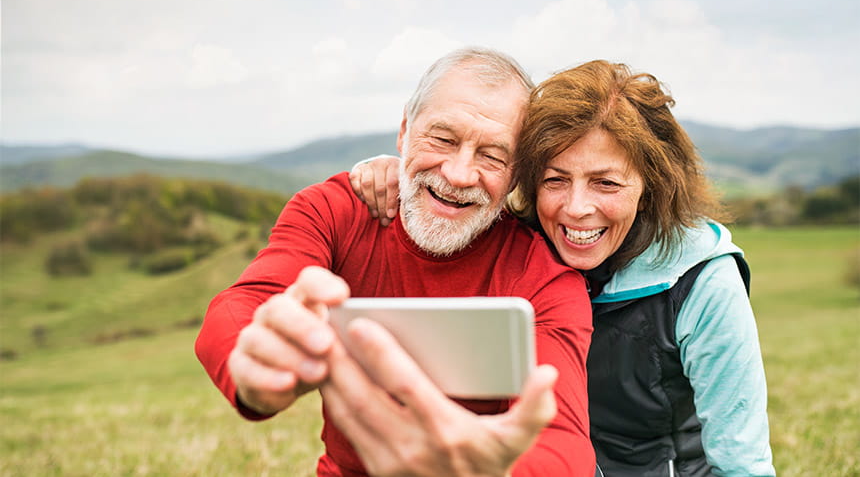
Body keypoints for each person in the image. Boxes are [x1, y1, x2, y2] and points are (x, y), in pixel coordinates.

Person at [351, 60, 776, 476]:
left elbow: (743, 463)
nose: (576, 209)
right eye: (555, 180)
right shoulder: (519, 247)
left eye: (606, 183)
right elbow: (456, 189)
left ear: (650, 189)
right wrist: (389, 170)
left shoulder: (704, 281)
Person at [195, 47, 597, 477]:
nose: (459, 174)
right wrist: (256, 364)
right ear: (405, 130)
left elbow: (564, 440)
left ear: (516, 174)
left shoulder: (546, 280)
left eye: (492, 156)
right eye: (442, 139)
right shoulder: (333, 212)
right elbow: (244, 305)